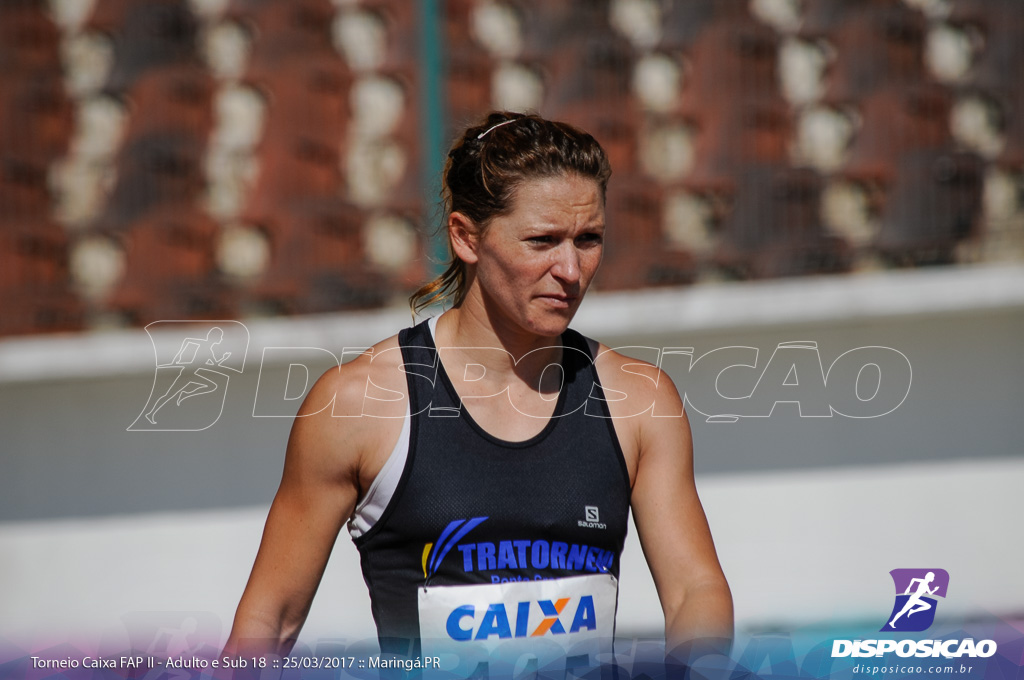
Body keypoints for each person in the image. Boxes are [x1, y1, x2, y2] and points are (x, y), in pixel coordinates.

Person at [225, 112, 732, 664]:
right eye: (542, 241)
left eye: (589, 239)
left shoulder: (640, 399)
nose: (570, 269)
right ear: (466, 237)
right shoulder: (357, 404)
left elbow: (694, 593)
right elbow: (268, 622)